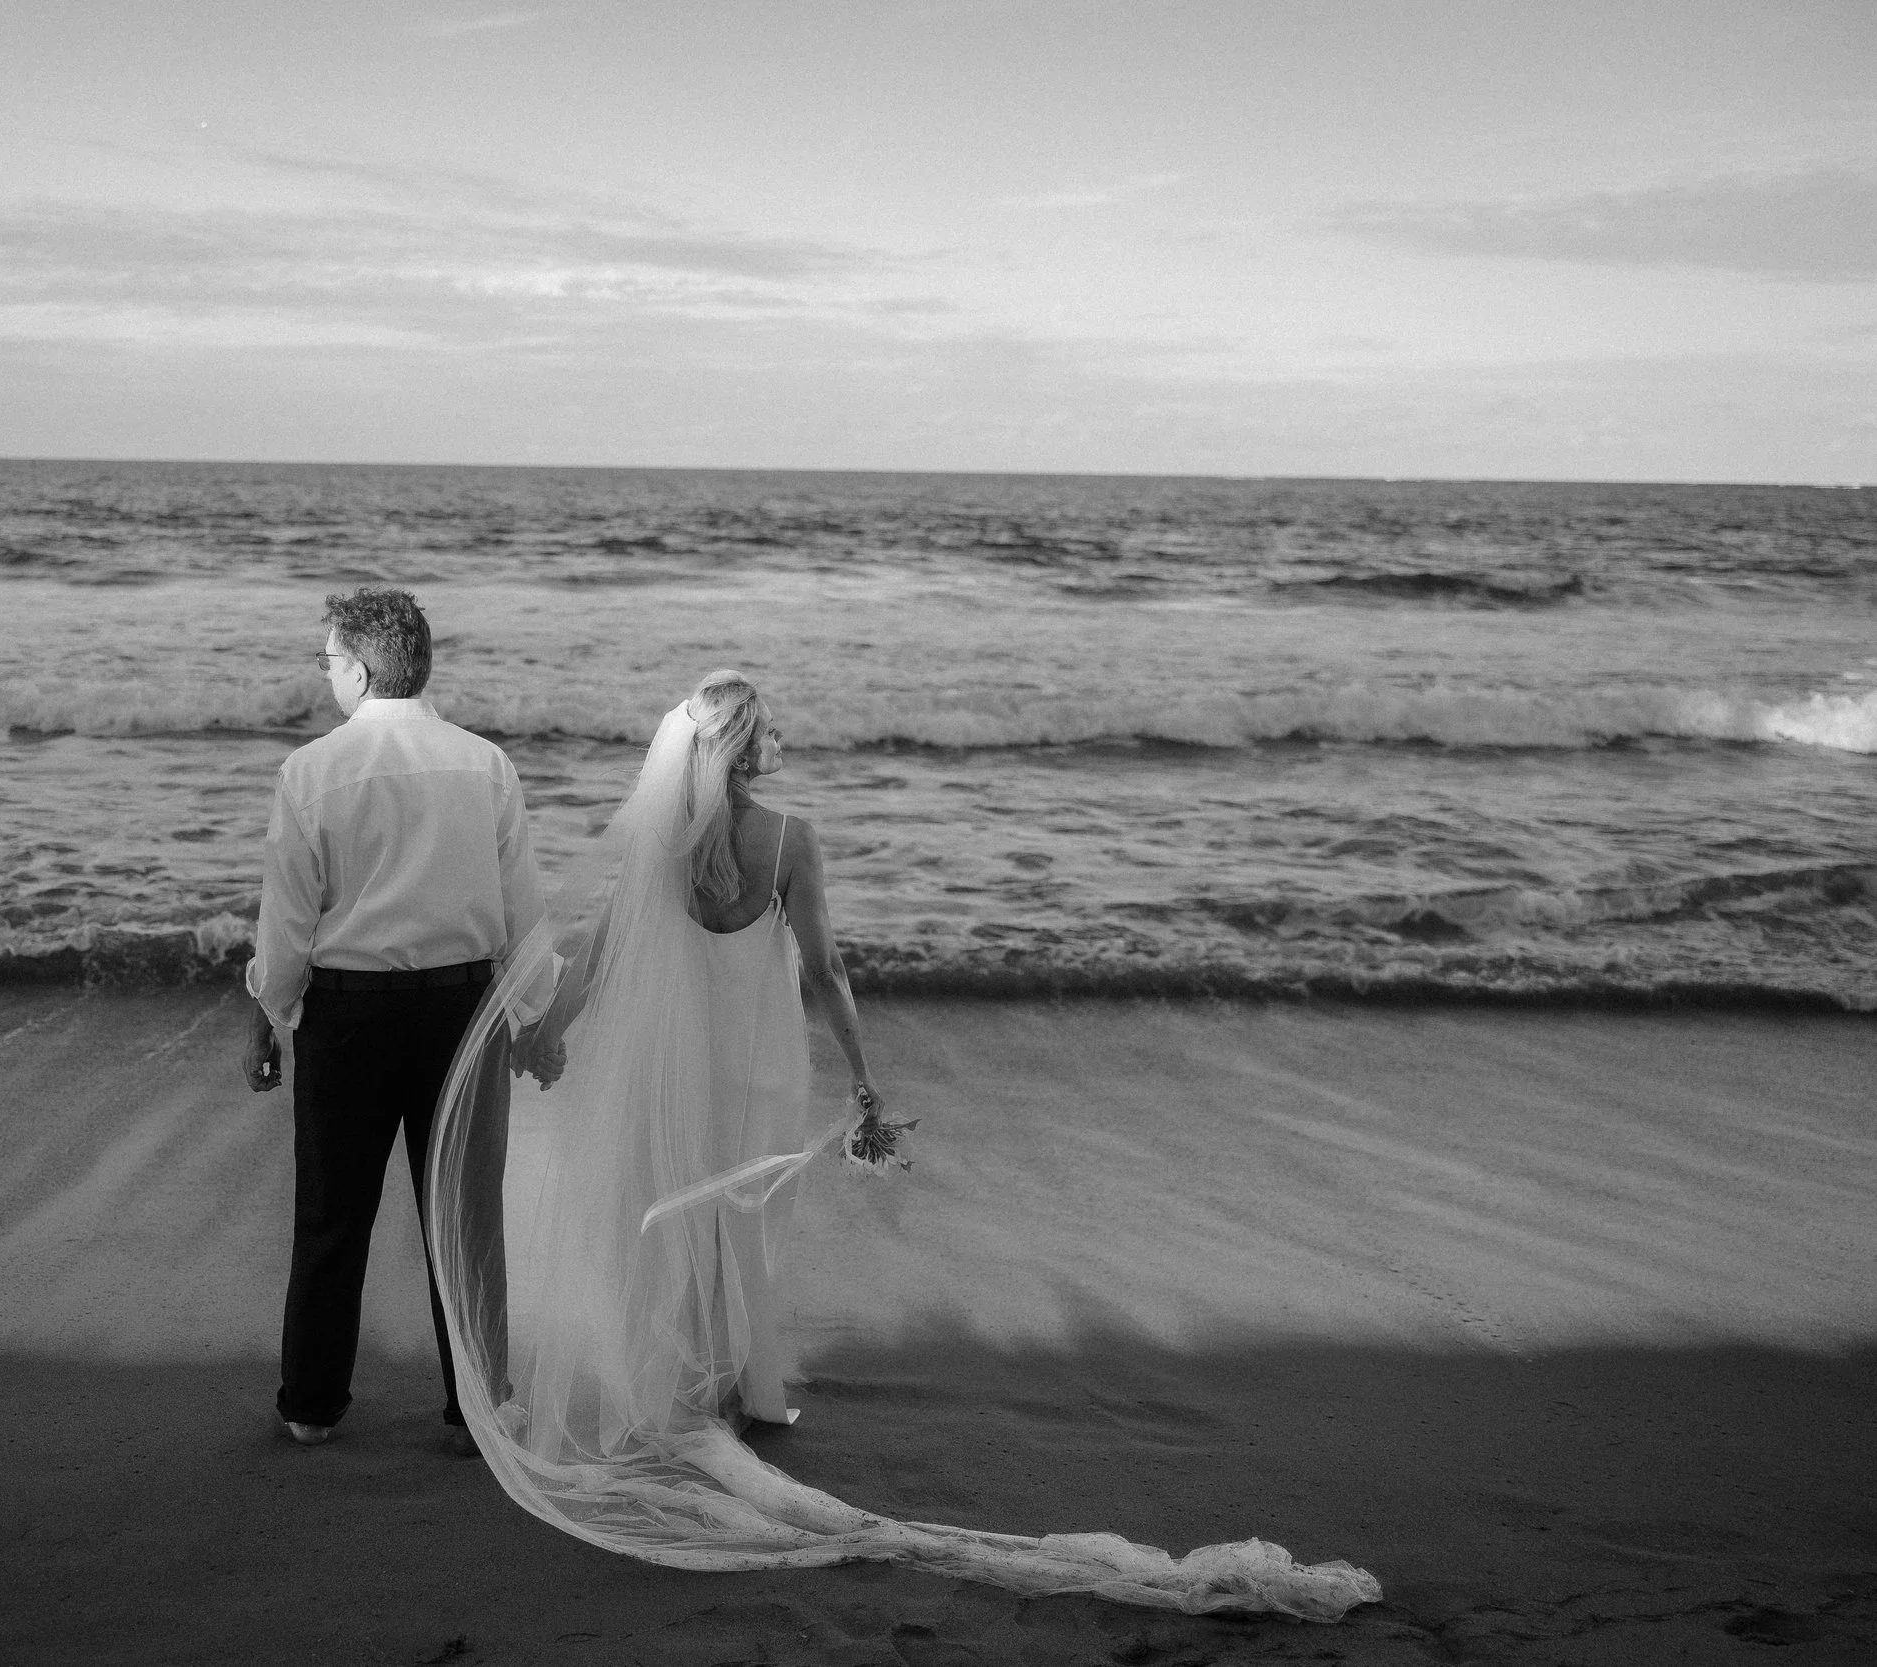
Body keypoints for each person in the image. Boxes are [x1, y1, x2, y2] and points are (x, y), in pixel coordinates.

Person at [418, 671, 1382, 1620]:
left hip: (677, 1064)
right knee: (742, 1211)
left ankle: (676, 1379)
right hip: (755, 1064)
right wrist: (863, 1070)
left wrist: (550, 1034)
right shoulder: (790, 837)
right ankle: (740, 1386)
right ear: (749, 747)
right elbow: (826, 964)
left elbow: (601, 950)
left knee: (674, 1200)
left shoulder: (659, 843)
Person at [242, 587, 542, 1456]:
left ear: (363, 670)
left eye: (328, 659)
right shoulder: (487, 765)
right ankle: (479, 1411)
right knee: (463, 1215)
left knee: (333, 1214)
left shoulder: (310, 771)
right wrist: (533, 1016)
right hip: (463, 1010)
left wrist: (272, 1011)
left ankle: (312, 1405)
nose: (325, 672)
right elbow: (526, 914)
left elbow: (288, 931)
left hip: (346, 1014)